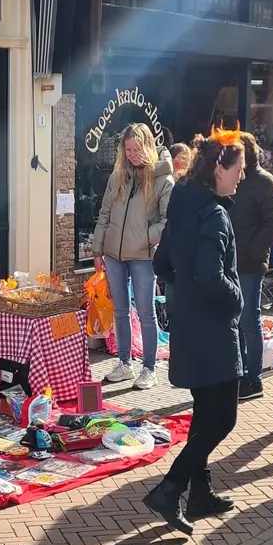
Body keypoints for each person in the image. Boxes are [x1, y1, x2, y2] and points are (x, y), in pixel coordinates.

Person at [146, 131, 246, 534]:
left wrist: (180, 292)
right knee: (222, 418)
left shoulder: (183, 205)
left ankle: (200, 493)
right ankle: (170, 487)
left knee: (205, 413)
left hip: (190, 323)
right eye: (237, 172)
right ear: (219, 169)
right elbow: (211, 276)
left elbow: (160, 263)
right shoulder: (214, 213)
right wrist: (236, 296)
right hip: (213, 329)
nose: (240, 179)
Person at [92, 123, 174, 391]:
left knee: (147, 313)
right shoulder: (117, 177)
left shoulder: (163, 180)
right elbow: (104, 214)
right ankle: (124, 363)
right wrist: (97, 249)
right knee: (120, 311)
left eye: (136, 149)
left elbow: (168, 221)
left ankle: (149, 368)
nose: (131, 154)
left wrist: (146, 236)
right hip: (114, 254)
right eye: (127, 149)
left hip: (143, 256)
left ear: (148, 146)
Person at [230, 132, 273, 401]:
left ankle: (254, 379)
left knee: (250, 321)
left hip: (250, 262)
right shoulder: (232, 179)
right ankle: (239, 374)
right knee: (236, 321)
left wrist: (254, 248)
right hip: (231, 260)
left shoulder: (263, 182)